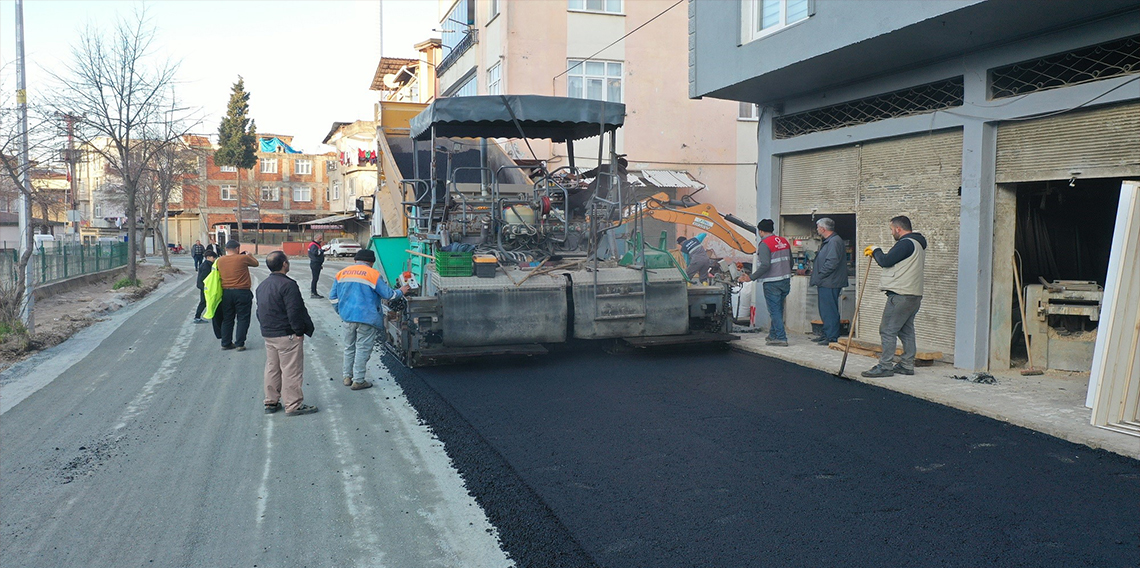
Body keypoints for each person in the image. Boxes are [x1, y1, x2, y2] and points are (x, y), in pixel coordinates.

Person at [330, 249, 410, 391]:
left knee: (349, 347)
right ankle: (359, 380)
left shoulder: (341, 273)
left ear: (356, 260)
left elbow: (333, 298)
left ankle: (347, 377)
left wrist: (341, 312)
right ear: (371, 262)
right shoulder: (373, 274)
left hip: (347, 317)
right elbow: (389, 295)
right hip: (366, 318)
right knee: (362, 348)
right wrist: (402, 291)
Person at [861, 215, 928, 378]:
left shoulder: (905, 243)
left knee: (887, 330)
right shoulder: (918, 243)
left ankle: (885, 366)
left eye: (892, 229)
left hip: (901, 295)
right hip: (913, 295)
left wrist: (875, 250)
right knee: (906, 331)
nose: (892, 233)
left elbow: (886, 260)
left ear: (898, 229)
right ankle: (906, 364)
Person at [256, 251, 317, 416]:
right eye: (287, 261)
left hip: (269, 333)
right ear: (284, 264)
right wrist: (298, 331)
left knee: (272, 368)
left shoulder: (263, 285)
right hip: (286, 334)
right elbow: (294, 311)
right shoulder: (288, 285)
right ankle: (293, 404)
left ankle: (271, 401)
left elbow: (259, 310)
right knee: (291, 369)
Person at [738, 219, 792, 346]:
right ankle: (773, 335)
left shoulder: (764, 244)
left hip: (772, 282)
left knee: (774, 311)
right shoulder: (784, 241)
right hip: (785, 280)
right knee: (778, 309)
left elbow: (765, 265)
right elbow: (791, 261)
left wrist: (751, 277)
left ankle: (781, 337)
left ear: (760, 231)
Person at [809, 218, 849, 345]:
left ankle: (831, 336)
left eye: (818, 227)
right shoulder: (829, 241)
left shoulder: (834, 242)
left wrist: (820, 275)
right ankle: (827, 333)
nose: (817, 230)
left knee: (829, 310)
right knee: (825, 310)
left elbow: (832, 262)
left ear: (823, 229)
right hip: (827, 281)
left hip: (830, 281)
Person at [212, 240, 258, 351]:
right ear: (237, 248)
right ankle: (239, 343)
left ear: (226, 249)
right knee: (242, 318)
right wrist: (250, 255)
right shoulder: (243, 258)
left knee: (227, 318)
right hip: (242, 292)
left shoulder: (219, 260)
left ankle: (226, 342)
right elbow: (256, 264)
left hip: (226, 292)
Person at [193, 249, 218, 323]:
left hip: (205, 287)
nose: (214, 259)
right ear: (208, 257)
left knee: (207, 301)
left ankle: (199, 316)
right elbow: (204, 278)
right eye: (213, 257)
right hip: (205, 287)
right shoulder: (206, 266)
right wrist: (205, 287)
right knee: (204, 302)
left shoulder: (207, 264)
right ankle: (197, 317)